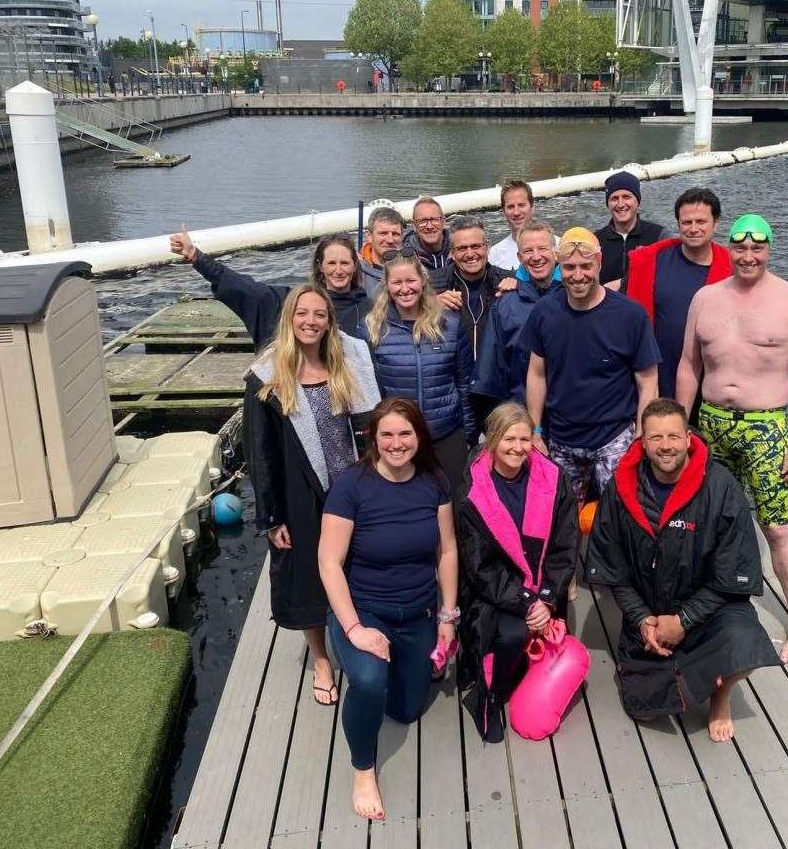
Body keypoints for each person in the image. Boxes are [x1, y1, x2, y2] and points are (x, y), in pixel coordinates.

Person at [585, 399, 781, 740]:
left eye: (674, 436)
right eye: (656, 438)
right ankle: (671, 662)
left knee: (747, 643)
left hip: (707, 610)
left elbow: (732, 574)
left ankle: (721, 696)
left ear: (689, 438)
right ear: (642, 442)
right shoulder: (620, 488)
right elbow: (611, 569)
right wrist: (643, 619)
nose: (666, 446)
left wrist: (685, 620)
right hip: (648, 611)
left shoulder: (721, 487)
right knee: (644, 707)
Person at [676, 214, 788, 665]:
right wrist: (681, 427)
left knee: (777, 526)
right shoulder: (706, 298)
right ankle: (707, 601)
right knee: (702, 520)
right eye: (740, 248)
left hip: (765, 427)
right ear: (730, 249)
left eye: (757, 248)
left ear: (769, 249)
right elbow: (689, 366)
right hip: (712, 424)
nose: (748, 256)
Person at [319, 398, 459, 820]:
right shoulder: (351, 486)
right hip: (365, 612)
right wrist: (355, 629)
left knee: (405, 709)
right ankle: (363, 767)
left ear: (419, 437)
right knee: (367, 681)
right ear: (373, 439)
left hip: (417, 613)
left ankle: (406, 666)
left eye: (405, 434)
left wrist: (448, 616)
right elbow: (329, 562)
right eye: (387, 435)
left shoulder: (435, 480)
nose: (397, 443)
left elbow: (447, 550)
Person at [243, 283, 381, 707]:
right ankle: (321, 658)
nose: (310, 321)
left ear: (328, 321)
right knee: (306, 576)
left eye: (319, 315)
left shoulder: (344, 366)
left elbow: (365, 427)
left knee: (359, 566)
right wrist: (271, 516)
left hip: (349, 489)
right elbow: (259, 453)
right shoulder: (266, 376)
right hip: (301, 493)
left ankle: (357, 635)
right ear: (290, 318)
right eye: (302, 313)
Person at [455, 402, 579, 741]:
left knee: (540, 632)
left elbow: (565, 543)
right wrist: (526, 601)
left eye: (525, 439)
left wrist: (549, 596)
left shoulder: (554, 479)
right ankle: (489, 696)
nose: (518, 448)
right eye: (509, 439)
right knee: (511, 634)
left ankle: (525, 677)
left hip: (544, 585)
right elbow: (479, 564)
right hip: (497, 591)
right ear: (492, 440)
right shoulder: (472, 494)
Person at [523, 227, 660, 507]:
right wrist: (535, 431)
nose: (578, 275)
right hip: (562, 438)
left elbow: (648, 381)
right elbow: (536, 374)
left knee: (624, 513)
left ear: (598, 263)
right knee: (561, 517)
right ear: (560, 267)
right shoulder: (544, 313)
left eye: (586, 266)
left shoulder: (630, 315)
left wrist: (640, 435)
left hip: (614, 436)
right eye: (569, 267)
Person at [361, 252, 477, 484]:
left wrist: (469, 433)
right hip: (398, 441)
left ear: (423, 282)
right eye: (397, 282)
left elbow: (464, 382)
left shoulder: (450, 324)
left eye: (411, 281)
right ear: (386, 285)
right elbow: (369, 392)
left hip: (446, 433)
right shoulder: (371, 329)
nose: (405, 289)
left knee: (455, 504)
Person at [170, 228, 372, 347]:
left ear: (355, 265)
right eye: (331, 263)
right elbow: (245, 288)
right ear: (321, 266)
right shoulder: (293, 301)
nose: (338, 270)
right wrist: (197, 257)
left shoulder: (369, 308)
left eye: (344, 263)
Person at [625, 187, 732, 399]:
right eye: (687, 222)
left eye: (701, 222)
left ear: (715, 223)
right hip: (659, 381)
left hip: (712, 384)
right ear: (678, 224)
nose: (693, 229)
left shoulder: (732, 269)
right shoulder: (653, 261)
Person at [471, 220, 561, 420]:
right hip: (522, 414)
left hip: (567, 416)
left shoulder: (573, 295)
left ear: (556, 253)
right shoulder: (505, 303)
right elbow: (491, 371)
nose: (536, 257)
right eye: (528, 251)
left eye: (543, 249)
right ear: (519, 257)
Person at [433, 215, 515, 363]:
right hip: (455, 376)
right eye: (462, 248)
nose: (470, 254)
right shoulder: (432, 284)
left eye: (476, 246)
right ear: (452, 252)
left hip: (497, 374)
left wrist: (520, 290)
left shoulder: (508, 280)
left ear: (487, 247)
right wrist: (429, 305)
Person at [595, 170, 670, 290]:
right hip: (609, 306)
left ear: (637, 201)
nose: (620, 204)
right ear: (608, 204)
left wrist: (622, 283)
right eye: (614, 198)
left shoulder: (659, 236)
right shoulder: (596, 240)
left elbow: (668, 275)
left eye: (626, 197)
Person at [487, 179, 559, 271]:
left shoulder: (559, 245)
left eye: (521, 205)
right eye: (510, 207)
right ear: (503, 211)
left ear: (532, 207)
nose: (516, 212)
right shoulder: (494, 254)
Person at [358, 205, 407, 296]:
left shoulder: (412, 267)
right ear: (369, 236)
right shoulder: (355, 272)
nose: (390, 240)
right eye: (383, 233)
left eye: (395, 234)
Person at [404, 196, 451, 281]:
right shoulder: (405, 258)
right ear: (414, 226)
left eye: (434, 219)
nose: (429, 226)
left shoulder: (458, 249)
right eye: (422, 221)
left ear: (443, 222)